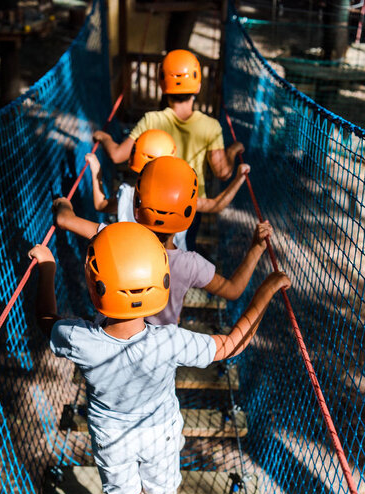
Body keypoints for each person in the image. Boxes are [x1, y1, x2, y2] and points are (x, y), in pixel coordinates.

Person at [29, 221, 290, 494]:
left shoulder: (79, 338)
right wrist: (266, 292)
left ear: (96, 286)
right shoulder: (168, 340)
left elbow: (46, 319)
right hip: (160, 434)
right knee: (164, 493)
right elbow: (230, 344)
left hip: (111, 437)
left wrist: (47, 266)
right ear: (161, 283)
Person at [54, 155, 271, 326]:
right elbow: (233, 290)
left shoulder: (116, 237)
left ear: (138, 203)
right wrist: (257, 248)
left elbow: (65, 219)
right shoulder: (190, 264)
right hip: (162, 351)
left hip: (113, 337)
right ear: (188, 213)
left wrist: (63, 202)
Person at [92, 50, 244, 199]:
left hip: (155, 201)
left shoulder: (151, 120)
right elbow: (223, 172)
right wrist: (233, 150)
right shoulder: (211, 126)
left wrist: (104, 137)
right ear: (197, 87)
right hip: (191, 204)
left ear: (162, 86)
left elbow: (117, 155)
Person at [85, 128, 250, 251]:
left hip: (131, 261)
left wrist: (96, 171)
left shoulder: (127, 193)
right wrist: (239, 178)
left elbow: (100, 205)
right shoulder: (179, 197)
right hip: (170, 268)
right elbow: (216, 205)